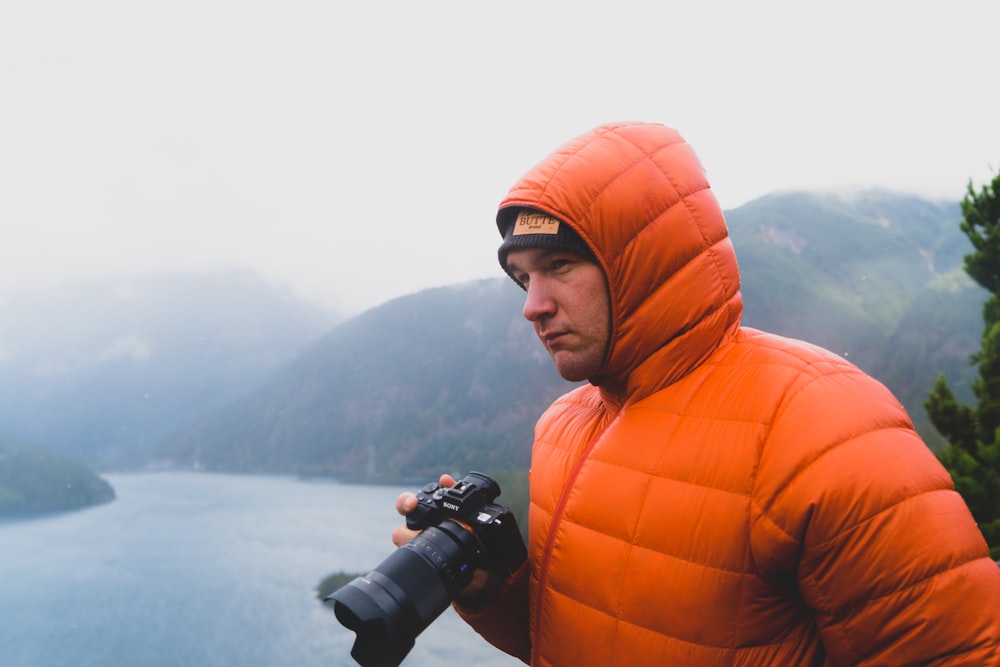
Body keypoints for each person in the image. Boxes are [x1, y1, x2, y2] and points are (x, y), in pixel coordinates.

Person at [393, 121, 1000, 665]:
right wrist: (494, 592)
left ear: (642, 261)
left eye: (560, 265)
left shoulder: (823, 423)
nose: (533, 306)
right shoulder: (562, 427)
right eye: (523, 278)